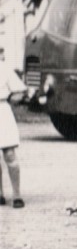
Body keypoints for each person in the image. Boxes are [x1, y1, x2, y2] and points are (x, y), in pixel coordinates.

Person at [0, 47, 27, 208]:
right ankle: (0, 194)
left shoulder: (4, 69)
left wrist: (12, 97)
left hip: (2, 110)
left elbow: (20, 92)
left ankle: (17, 194)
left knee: (9, 154)